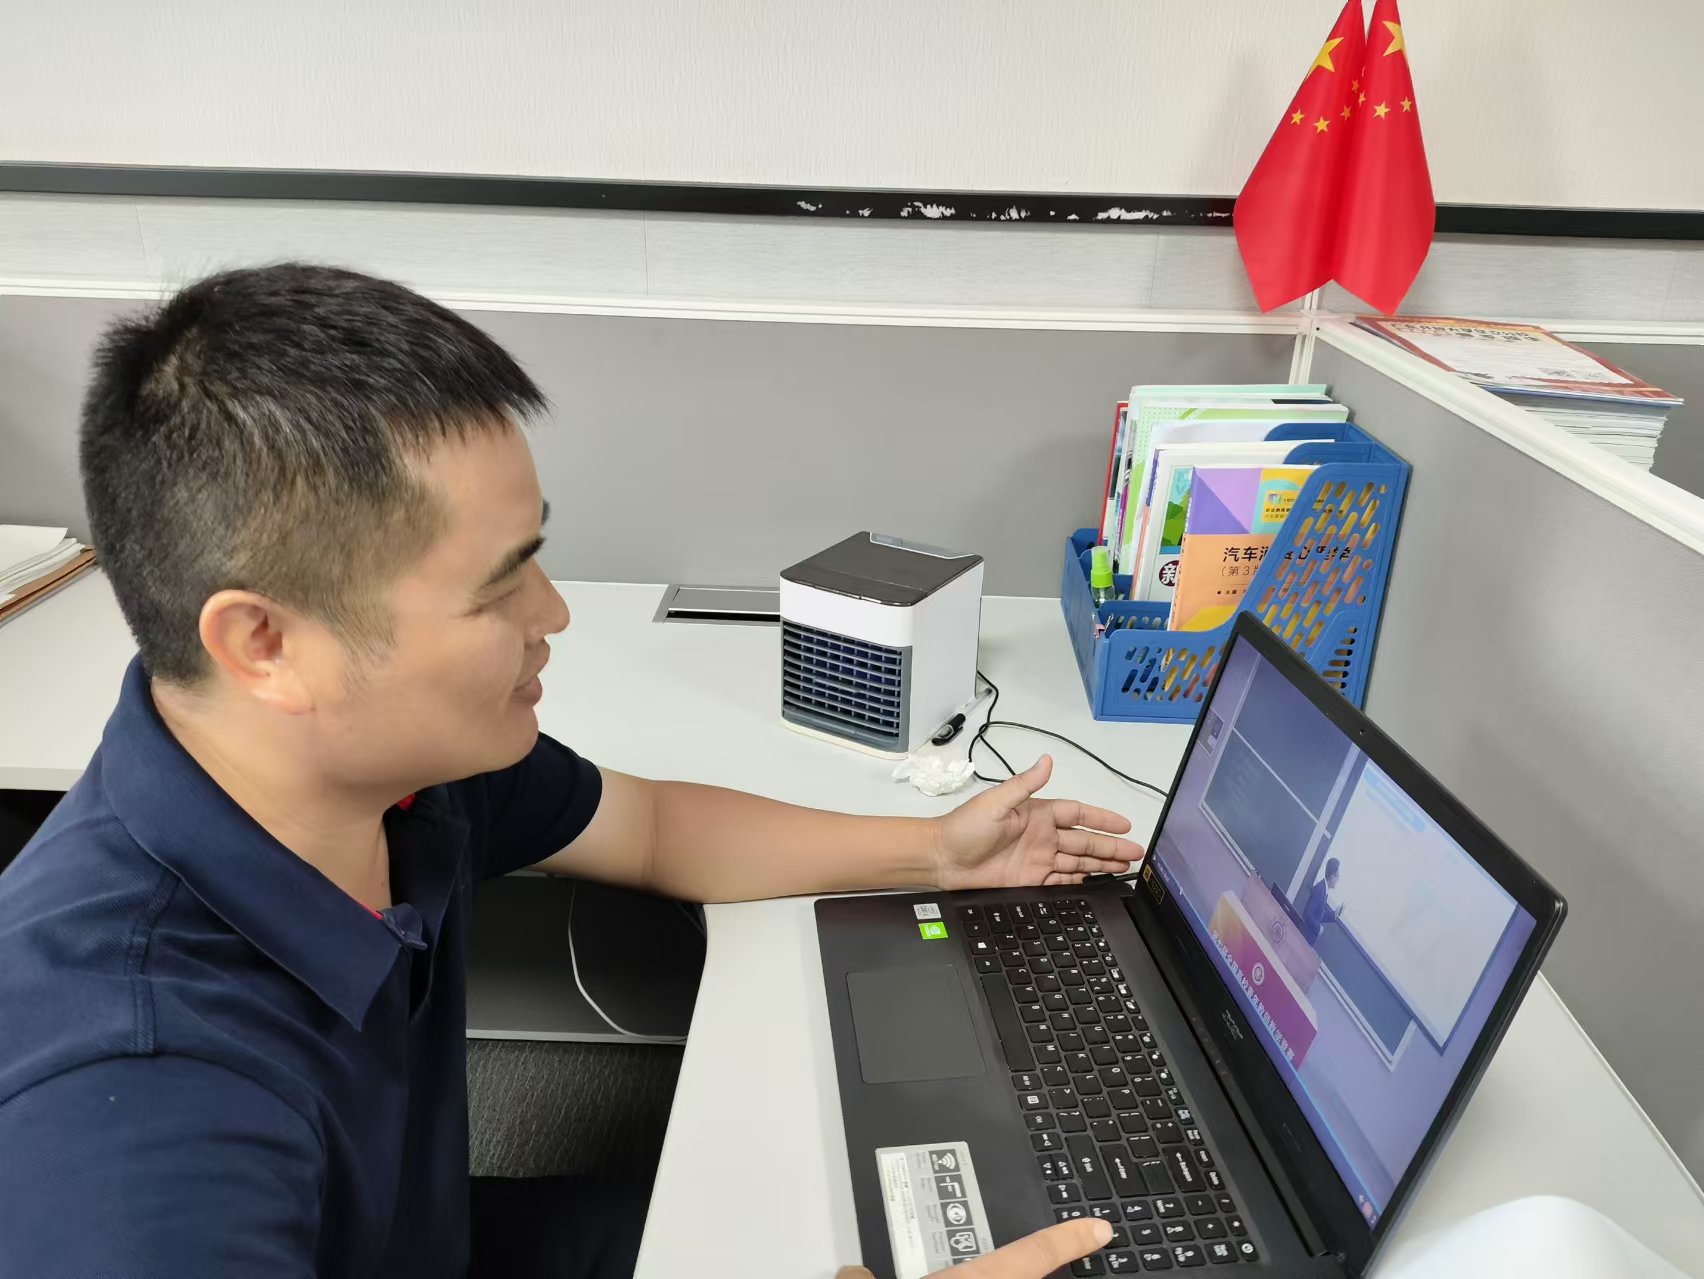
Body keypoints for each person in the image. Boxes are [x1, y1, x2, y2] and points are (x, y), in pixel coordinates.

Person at [0, 265, 1141, 1279]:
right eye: (500, 586)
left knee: (840, 1216)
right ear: (266, 644)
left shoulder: (384, 772)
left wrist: (935, 850)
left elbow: (650, 828)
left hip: (419, 1239)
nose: (551, 614)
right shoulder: (134, 1110)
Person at [1301, 857, 1346, 944]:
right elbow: (1308, 914)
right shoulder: (1320, 889)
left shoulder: (1324, 890)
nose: (1338, 879)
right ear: (1332, 877)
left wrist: (1334, 914)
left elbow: (1319, 915)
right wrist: (1318, 928)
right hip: (1304, 936)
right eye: (1337, 876)